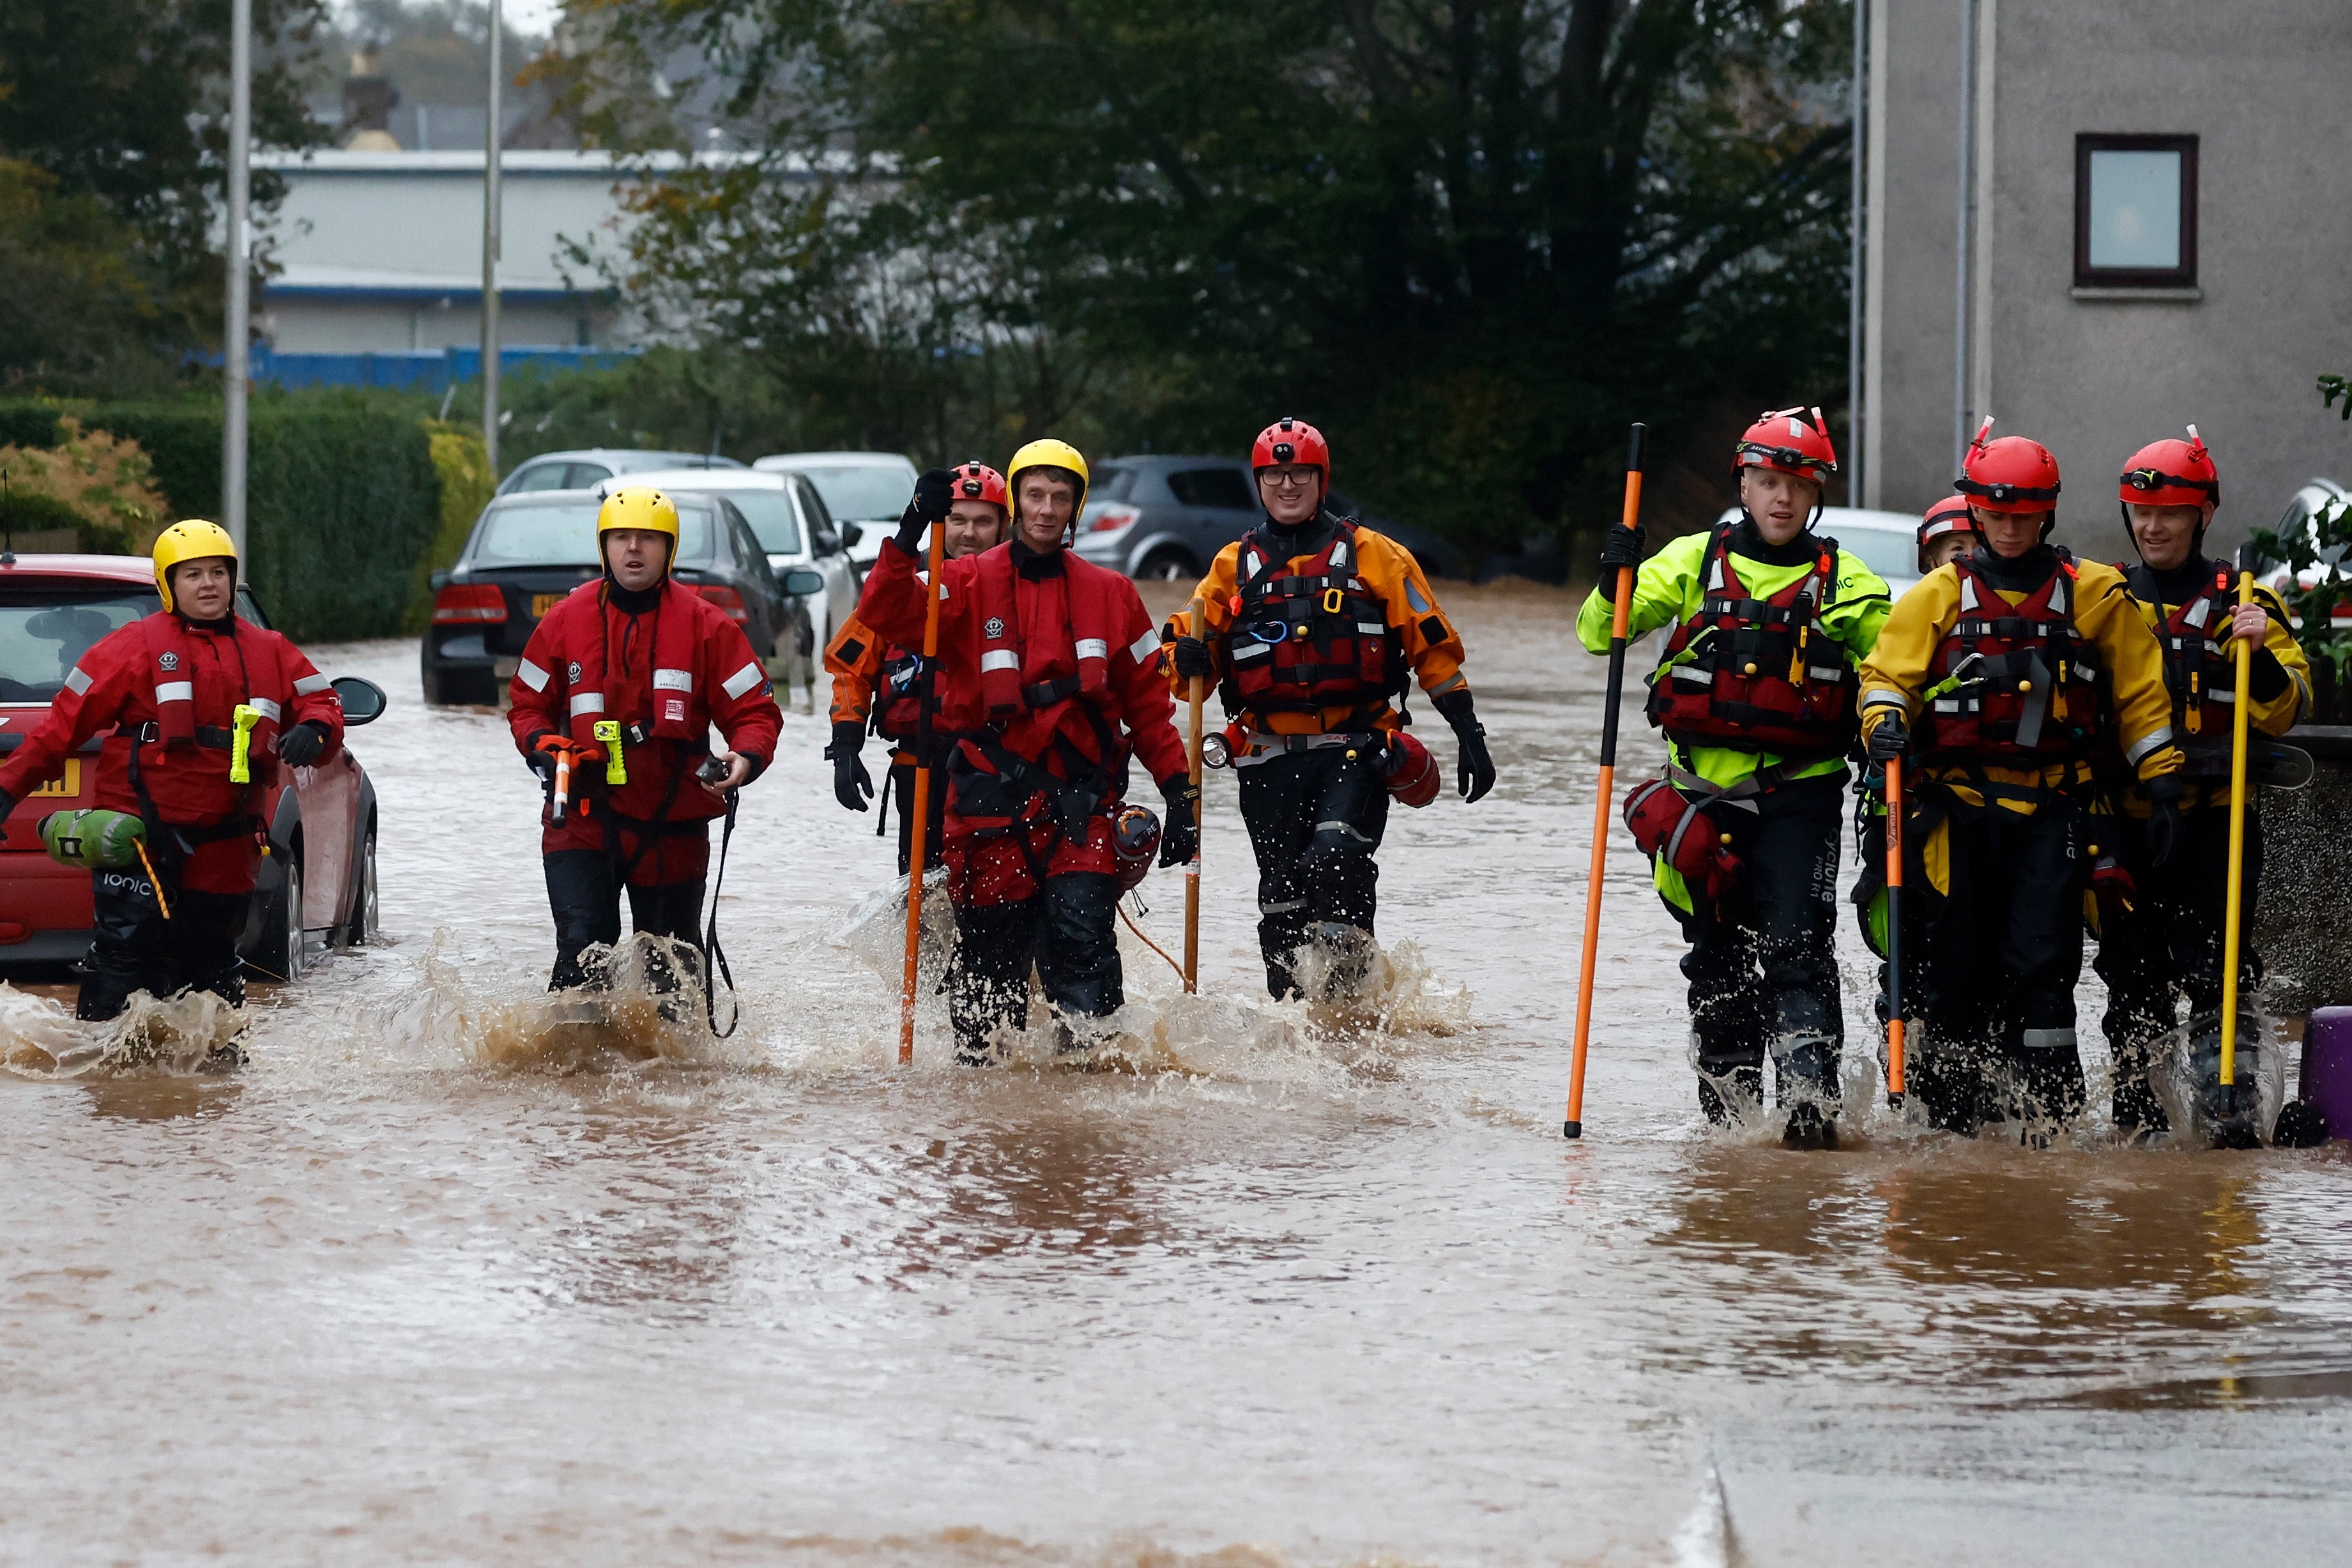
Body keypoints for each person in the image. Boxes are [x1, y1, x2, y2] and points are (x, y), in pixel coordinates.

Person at [1857, 421, 2183, 1138]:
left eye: (2024, 515)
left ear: (2048, 513)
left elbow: (2139, 696)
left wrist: (2160, 781)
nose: (2009, 528)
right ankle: (1949, 1127)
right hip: (1957, 811)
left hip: (2052, 812)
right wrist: (1883, 720)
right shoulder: (1936, 596)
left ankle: (2050, 1125)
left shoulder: (2094, 593)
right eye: (1996, 514)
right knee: (1954, 969)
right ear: (1975, 511)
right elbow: (1887, 677)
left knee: (2044, 966)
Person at [1580, 406, 1891, 1148]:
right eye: (1767, 481)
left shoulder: (1846, 581)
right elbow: (1599, 635)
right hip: (1699, 802)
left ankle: (1810, 1106)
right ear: (1743, 484)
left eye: (1797, 484)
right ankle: (1730, 1120)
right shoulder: (1691, 562)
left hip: (1800, 795)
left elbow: (1897, 668)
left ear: (1815, 495)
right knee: (1716, 959)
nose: (1781, 498)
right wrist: (1612, 573)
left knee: (1795, 947)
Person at [850, 439, 1192, 1063]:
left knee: (1083, 938)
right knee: (989, 968)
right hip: (987, 806)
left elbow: (1148, 705)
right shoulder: (966, 580)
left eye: (1060, 497)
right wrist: (910, 526)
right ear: (1015, 501)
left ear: (1075, 508)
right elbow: (883, 607)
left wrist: (1180, 792)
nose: (1045, 508)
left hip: (1081, 806)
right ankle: (990, 1105)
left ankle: (1087, 1091)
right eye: (1034, 495)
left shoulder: (1112, 593)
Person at [1165, 418, 1493, 1001]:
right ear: (1260, 481)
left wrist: (1470, 734)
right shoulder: (1229, 567)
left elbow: (1433, 647)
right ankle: (1299, 1030)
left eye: (1300, 474)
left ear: (1322, 479)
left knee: (1335, 859)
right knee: (1283, 898)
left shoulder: (1376, 555)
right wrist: (1185, 656)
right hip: (1267, 756)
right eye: (1275, 474)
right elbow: (1183, 670)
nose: (1287, 485)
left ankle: (1351, 1014)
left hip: (1356, 748)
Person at [0, 521, 345, 1025]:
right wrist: (8, 791)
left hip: (226, 845)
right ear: (168, 584)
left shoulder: (269, 648)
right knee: (123, 957)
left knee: (213, 969)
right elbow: (61, 728)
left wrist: (315, 728)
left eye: (218, 573)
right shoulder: (130, 647)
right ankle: (104, 1078)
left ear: (232, 580)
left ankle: (217, 1087)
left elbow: (323, 701)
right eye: (193, 574)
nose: (208, 584)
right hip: (143, 839)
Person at [2093, 430, 2309, 1141]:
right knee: (2132, 976)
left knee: (2217, 975)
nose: (2153, 527)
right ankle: (2138, 1117)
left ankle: (2228, 1110)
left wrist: (2261, 656)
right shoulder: (2107, 598)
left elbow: (2286, 705)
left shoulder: (2243, 603)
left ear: (2202, 515)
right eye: (2141, 513)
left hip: (2216, 818)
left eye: (2171, 515)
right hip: (2128, 817)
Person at [507, 485, 783, 993]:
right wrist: (543, 744)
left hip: (671, 822)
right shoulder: (565, 619)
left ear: (669, 549)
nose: (634, 549)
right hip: (583, 818)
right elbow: (526, 703)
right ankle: (575, 1070)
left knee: (672, 975)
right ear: (604, 546)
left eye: (648, 539)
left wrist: (742, 759)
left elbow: (756, 712)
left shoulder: (707, 626)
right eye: (622, 538)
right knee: (581, 961)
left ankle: (671, 1071)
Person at [822, 460, 1008, 873]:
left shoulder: (1021, 589)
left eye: (983, 521)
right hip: (922, 763)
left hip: (1003, 767)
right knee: (922, 897)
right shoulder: (902, 590)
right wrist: (846, 746)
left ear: (1003, 527)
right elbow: (850, 665)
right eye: (958, 519)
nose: (969, 532)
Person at [1916, 494, 1975, 574]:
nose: (1970, 556)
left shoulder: (1997, 585)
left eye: (1980, 549)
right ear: (1933, 563)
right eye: (1958, 549)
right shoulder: (1926, 586)